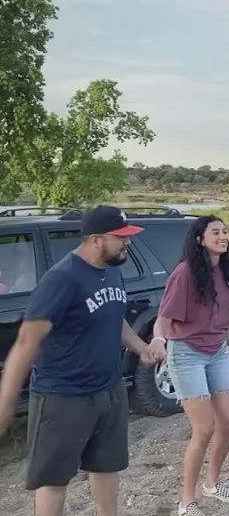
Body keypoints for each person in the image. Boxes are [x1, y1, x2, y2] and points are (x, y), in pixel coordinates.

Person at [0, 205, 161, 516]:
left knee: (107, 466)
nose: (128, 242)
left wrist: (141, 348)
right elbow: (26, 342)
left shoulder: (113, 269)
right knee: (54, 479)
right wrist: (6, 404)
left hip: (109, 389)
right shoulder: (62, 279)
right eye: (121, 237)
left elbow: (114, 315)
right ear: (96, 239)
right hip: (64, 396)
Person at [148, 216, 229, 516]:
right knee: (204, 429)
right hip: (186, 353)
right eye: (215, 232)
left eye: (225, 231)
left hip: (217, 351)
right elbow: (164, 316)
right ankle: (186, 501)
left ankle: (212, 483)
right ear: (200, 239)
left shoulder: (227, 271)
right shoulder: (185, 273)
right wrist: (159, 340)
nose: (223, 236)